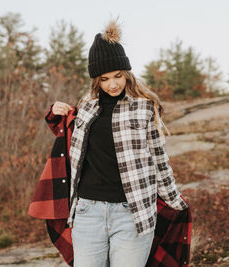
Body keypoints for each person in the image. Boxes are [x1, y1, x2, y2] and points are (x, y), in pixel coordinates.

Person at [51, 19, 188, 267]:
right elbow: (67, 142)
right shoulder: (85, 108)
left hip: (132, 212)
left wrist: (174, 200)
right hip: (87, 211)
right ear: (96, 80)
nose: (112, 84)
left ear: (127, 74)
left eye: (118, 76)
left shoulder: (145, 107)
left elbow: (159, 159)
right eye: (104, 79)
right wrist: (55, 111)